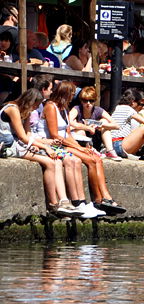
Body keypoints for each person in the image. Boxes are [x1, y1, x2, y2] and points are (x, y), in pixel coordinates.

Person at [39, 80, 125, 215]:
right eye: (72, 93)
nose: (73, 96)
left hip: (66, 142)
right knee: (90, 161)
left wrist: (80, 147)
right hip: (57, 144)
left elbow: (67, 133)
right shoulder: (51, 107)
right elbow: (55, 134)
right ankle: (96, 200)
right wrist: (78, 148)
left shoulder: (64, 108)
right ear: (65, 93)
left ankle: (106, 197)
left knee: (96, 158)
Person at [1, 88, 80, 217]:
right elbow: (22, 137)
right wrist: (45, 148)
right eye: (35, 105)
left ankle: (63, 201)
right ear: (29, 101)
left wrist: (44, 143)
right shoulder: (12, 109)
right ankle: (53, 204)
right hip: (9, 144)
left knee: (56, 161)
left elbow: (28, 135)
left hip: (18, 144)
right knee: (49, 163)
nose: (35, 109)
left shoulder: (26, 112)